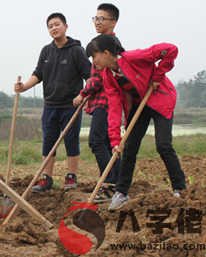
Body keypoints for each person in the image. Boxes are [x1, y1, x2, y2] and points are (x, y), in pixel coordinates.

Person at [85, 34, 187, 211]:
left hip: (160, 98)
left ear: (106, 53)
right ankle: (122, 193)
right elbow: (115, 109)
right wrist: (115, 141)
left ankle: (180, 188)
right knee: (129, 147)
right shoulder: (108, 76)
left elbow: (171, 49)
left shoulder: (133, 57)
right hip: (139, 104)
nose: (93, 62)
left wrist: (158, 74)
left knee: (163, 145)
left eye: (94, 56)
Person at [14, 13, 91, 192]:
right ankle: (46, 179)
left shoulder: (76, 50)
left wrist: (86, 96)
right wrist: (24, 86)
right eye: (50, 26)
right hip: (50, 105)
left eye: (57, 24)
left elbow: (89, 75)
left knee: (71, 141)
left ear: (65, 27)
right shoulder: (46, 51)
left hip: (71, 105)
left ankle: (71, 177)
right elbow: (38, 74)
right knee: (48, 142)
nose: (54, 28)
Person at [73, 3, 122, 203]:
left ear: (113, 22)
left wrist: (83, 94)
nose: (97, 22)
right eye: (95, 18)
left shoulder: (110, 44)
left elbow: (101, 77)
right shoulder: (100, 42)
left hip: (107, 102)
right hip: (100, 100)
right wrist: (89, 98)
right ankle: (115, 182)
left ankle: (111, 183)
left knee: (96, 141)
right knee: (105, 143)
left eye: (102, 19)